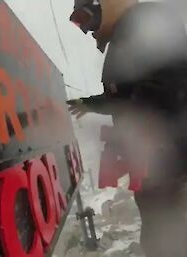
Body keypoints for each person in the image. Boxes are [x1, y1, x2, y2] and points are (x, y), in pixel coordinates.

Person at [68, 0, 187, 256]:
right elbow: (123, 97)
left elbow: (169, 88)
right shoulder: (124, 38)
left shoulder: (146, 24)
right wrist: (89, 104)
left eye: (87, 17)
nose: (89, 30)